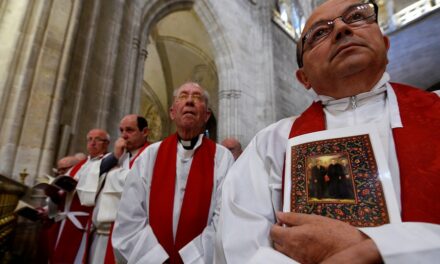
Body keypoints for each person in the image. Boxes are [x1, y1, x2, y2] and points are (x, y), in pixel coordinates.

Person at [216, 0, 440, 263]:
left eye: (357, 16)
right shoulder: (270, 144)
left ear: (385, 42)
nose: (342, 29)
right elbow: (239, 246)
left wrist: (380, 248)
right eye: (320, 32)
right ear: (304, 78)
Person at [112, 82, 234, 263]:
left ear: (207, 115)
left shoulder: (222, 158)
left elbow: (225, 216)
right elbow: (130, 216)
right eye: (183, 97)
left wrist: (194, 258)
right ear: (172, 112)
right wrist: (155, 258)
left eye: (197, 97)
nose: (190, 101)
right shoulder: (150, 156)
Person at [88, 115, 150, 264]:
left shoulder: (151, 154)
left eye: (129, 130)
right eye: (121, 130)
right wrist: (115, 156)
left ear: (145, 132)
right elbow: (92, 177)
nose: (124, 135)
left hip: (131, 234)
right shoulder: (116, 156)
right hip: (102, 234)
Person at [50, 128, 110, 263]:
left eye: (97, 139)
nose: (92, 143)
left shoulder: (107, 162)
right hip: (65, 219)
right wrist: (53, 193)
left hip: (83, 220)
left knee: (77, 257)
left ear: (106, 143)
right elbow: (61, 192)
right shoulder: (79, 165)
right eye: (90, 139)